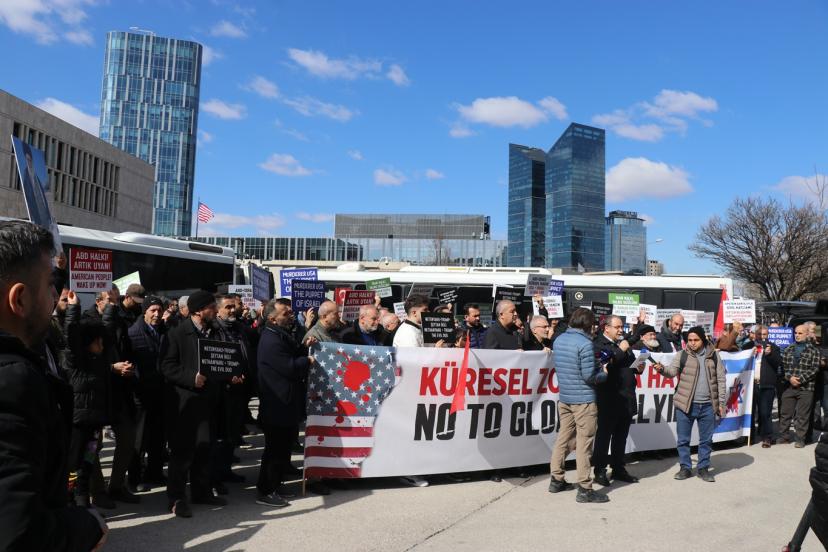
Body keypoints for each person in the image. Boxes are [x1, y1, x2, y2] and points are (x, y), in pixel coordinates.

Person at [0, 220, 107, 551]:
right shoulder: (13, 382)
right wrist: (87, 527)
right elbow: (17, 532)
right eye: (51, 285)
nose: (55, 297)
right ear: (19, 299)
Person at [160, 290, 227, 518]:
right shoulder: (176, 334)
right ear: (198, 310)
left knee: (204, 448)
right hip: (185, 404)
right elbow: (166, 366)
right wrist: (191, 378)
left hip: (208, 401)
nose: (215, 310)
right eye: (211, 307)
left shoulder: (214, 332)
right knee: (182, 452)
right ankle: (176, 498)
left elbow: (220, 360)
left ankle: (201, 491)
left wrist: (231, 373)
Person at [256, 299, 316, 507]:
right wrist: (306, 361)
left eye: (290, 312)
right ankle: (266, 490)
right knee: (274, 449)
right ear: (273, 319)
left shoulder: (279, 334)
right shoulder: (270, 340)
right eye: (285, 313)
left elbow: (291, 352)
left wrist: (304, 347)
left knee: (283, 448)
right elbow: (288, 366)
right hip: (277, 403)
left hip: (287, 401)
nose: (290, 315)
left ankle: (276, 484)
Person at [548, 307, 608, 503]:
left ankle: (556, 479)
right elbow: (589, 376)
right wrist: (604, 373)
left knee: (563, 438)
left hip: (565, 397)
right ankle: (584, 488)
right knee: (584, 443)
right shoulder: (585, 344)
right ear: (588, 324)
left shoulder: (559, 340)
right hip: (583, 400)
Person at [655, 326, 726, 482]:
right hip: (685, 405)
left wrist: (721, 403)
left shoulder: (713, 356)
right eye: (690, 340)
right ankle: (685, 468)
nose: (692, 343)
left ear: (703, 339)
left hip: (708, 406)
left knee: (706, 440)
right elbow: (671, 372)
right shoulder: (682, 355)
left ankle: (703, 468)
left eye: (696, 340)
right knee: (683, 440)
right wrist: (661, 369)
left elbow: (721, 379)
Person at [63, 291, 113, 509]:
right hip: (78, 424)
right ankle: (68, 500)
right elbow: (71, 335)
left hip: (95, 424)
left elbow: (107, 332)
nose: (101, 346)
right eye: (96, 342)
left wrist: (110, 308)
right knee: (73, 466)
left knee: (88, 462)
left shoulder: (99, 361)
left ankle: (83, 500)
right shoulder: (76, 361)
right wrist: (73, 308)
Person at [102, 282, 145, 504]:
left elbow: (126, 349)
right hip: (97, 393)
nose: (114, 304)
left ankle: (117, 486)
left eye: (116, 300)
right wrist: (111, 367)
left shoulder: (123, 320)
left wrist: (128, 367)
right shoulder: (88, 322)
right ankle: (90, 492)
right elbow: (81, 361)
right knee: (91, 447)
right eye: (110, 300)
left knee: (128, 440)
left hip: (122, 391)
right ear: (98, 301)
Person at [592, 317, 647, 487]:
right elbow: (605, 364)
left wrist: (638, 367)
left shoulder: (622, 343)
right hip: (609, 397)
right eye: (617, 327)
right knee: (604, 436)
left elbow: (629, 365)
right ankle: (599, 470)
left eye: (621, 327)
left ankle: (618, 468)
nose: (621, 330)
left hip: (627, 397)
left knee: (621, 437)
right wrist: (621, 349)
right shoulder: (599, 343)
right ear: (606, 328)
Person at [127, 295, 168, 490]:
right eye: (153, 310)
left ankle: (155, 473)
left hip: (160, 393)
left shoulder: (166, 331)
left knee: (158, 437)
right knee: (139, 440)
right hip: (141, 395)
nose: (157, 314)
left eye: (159, 310)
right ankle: (135, 479)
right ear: (145, 312)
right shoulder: (133, 333)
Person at [213, 294, 250, 488]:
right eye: (228, 307)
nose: (232, 310)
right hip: (222, 391)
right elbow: (212, 360)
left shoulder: (239, 328)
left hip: (240, 389)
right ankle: (216, 476)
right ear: (218, 310)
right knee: (221, 435)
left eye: (233, 306)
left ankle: (226, 470)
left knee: (233, 433)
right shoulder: (213, 330)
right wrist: (228, 376)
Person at [778, 325, 822, 448]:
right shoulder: (788, 349)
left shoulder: (814, 350)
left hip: (806, 388)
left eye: (800, 333)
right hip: (790, 386)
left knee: (803, 416)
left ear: (807, 334)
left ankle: (800, 439)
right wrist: (790, 378)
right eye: (796, 333)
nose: (797, 335)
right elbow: (783, 367)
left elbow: (815, 369)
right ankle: (784, 437)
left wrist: (800, 379)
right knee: (785, 413)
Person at [752, 325, 783, 447]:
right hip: (751, 384)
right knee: (750, 413)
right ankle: (750, 436)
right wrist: (750, 354)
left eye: (764, 334)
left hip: (766, 384)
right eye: (759, 334)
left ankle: (767, 437)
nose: (761, 337)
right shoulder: (749, 346)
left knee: (765, 412)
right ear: (755, 335)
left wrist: (770, 355)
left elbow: (778, 363)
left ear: (768, 335)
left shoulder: (773, 347)